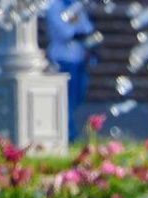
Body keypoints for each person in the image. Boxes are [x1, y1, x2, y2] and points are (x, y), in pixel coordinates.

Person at [45, 0, 97, 142]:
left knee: (77, 97)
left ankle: (68, 130)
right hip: (62, 59)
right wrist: (81, 33)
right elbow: (65, 32)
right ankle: (68, 134)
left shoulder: (75, 4)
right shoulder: (54, 5)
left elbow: (87, 27)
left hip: (78, 59)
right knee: (65, 99)